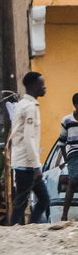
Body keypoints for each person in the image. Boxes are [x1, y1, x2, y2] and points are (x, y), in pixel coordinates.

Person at [10, 71, 50, 225]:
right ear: (33, 86)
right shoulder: (30, 108)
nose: (44, 88)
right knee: (30, 200)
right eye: (42, 85)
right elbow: (29, 138)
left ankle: (23, 228)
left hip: (23, 162)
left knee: (24, 200)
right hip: (27, 164)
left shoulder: (22, 104)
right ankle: (21, 228)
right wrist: (36, 166)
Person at [55, 93, 78, 221]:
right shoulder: (67, 120)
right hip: (73, 153)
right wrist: (66, 159)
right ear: (75, 105)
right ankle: (64, 215)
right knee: (73, 180)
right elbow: (62, 142)